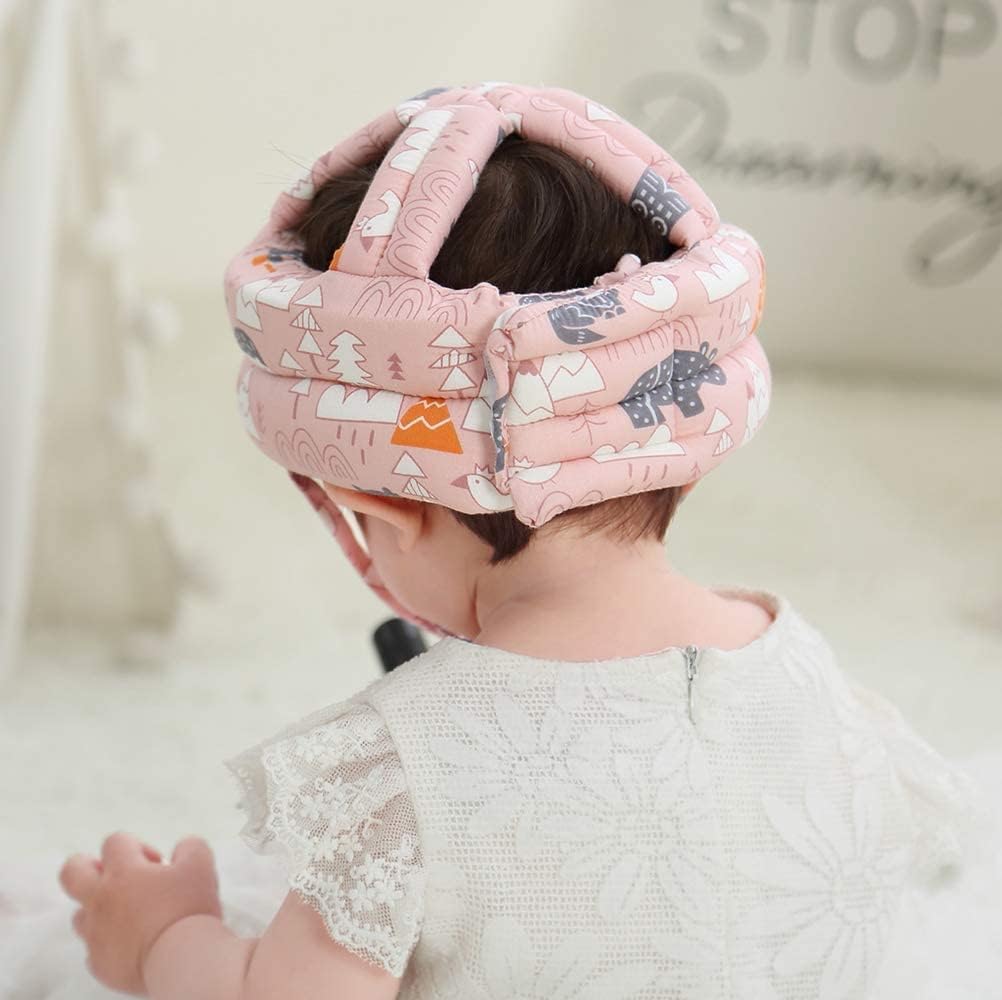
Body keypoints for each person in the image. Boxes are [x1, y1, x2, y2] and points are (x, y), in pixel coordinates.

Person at [57, 83, 997, 1000]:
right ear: (681, 441)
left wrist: (161, 939)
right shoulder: (814, 682)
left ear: (382, 506)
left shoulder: (402, 772)